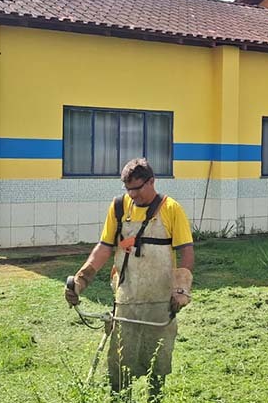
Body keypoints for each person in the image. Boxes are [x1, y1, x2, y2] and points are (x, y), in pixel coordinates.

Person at [64, 158, 194, 401]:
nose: (132, 195)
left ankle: (155, 397)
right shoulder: (118, 208)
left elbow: (186, 251)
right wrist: (81, 280)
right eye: (128, 189)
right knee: (120, 362)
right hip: (127, 299)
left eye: (137, 188)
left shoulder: (171, 209)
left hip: (160, 300)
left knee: (158, 359)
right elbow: (104, 248)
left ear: (152, 181)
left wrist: (181, 288)